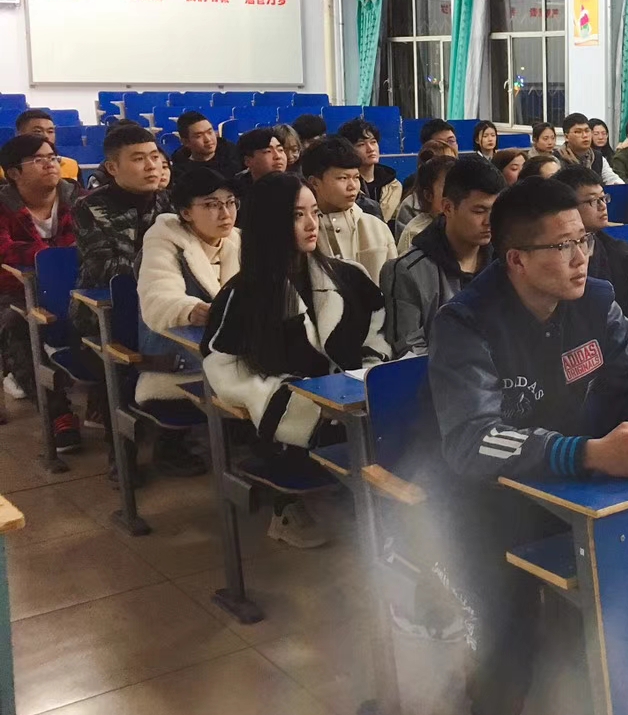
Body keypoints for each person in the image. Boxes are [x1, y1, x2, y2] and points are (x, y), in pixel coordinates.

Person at [416, 177, 628, 715]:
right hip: (490, 502)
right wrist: (587, 453)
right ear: (516, 259)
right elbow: (471, 441)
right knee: (507, 627)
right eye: (562, 246)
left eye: (583, 240)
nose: (581, 256)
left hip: (582, 486)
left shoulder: (596, 300)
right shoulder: (465, 323)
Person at [203, 173, 388, 548]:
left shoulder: (349, 277)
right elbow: (221, 365)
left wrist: (366, 377)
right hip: (295, 419)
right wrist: (275, 400)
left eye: (314, 212)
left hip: (356, 405)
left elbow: (378, 336)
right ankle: (286, 507)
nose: (311, 224)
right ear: (269, 223)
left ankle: (374, 506)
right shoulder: (244, 295)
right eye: (297, 215)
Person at [68, 123, 173, 453]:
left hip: (161, 305)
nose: (152, 166)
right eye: (139, 159)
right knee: (123, 365)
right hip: (106, 312)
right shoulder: (89, 208)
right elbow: (107, 270)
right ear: (112, 168)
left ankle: (173, 442)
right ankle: (121, 453)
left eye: (155, 157)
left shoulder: (169, 202)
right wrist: (164, 268)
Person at [135, 165, 240, 476]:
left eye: (230, 202)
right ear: (185, 213)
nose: (225, 213)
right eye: (211, 205)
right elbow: (158, 296)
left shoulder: (239, 241)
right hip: (179, 359)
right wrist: (193, 310)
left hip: (229, 357)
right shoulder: (163, 240)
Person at [383, 156, 503, 355]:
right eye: (479, 211)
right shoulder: (408, 271)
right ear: (448, 208)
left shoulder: (507, 262)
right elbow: (409, 352)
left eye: (496, 210)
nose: (489, 221)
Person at [0, 134, 76, 404]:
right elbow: (4, 250)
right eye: (37, 160)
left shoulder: (77, 199)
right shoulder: (3, 206)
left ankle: (101, 400)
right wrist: (50, 257)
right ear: (14, 173)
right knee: (14, 321)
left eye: (53, 158)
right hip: (16, 290)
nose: (50, 164)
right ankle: (55, 409)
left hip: (74, 286)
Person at [301, 137, 397, 284]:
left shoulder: (376, 228)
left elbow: (393, 286)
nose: (352, 186)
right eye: (343, 178)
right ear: (314, 182)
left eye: (356, 177)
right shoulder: (303, 230)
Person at [555, 164, 628, 317]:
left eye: (603, 198)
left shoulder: (623, 255)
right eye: (592, 201)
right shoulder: (555, 255)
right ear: (568, 206)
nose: (602, 206)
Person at [337, 118, 402, 224]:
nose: (370, 149)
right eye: (361, 144)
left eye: (373, 142)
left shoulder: (393, 185)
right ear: (348, 149)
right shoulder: (346, 186)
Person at [396, 150, 457, 253]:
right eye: (448, 187)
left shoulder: (468, 225)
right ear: (428, 195)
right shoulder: (415, 234)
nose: (457, 194)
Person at [170, 111, 240, 180]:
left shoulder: (234, 156)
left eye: (210, 132)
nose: (208, 139)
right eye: (199, 136)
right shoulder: (180, 171)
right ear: (185, 142)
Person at [557, 113, 622, 185]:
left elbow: (612, 178)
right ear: (566, 137)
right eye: (578, 132)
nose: (585, 135)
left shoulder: (598, 157)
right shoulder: (556, 159)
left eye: (587, 131)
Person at [229, 127, 287, 202]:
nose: (278, 156)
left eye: (280, 150)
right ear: (248, 161)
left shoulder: (296, 188)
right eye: (268, 151)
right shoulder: (234, 195)